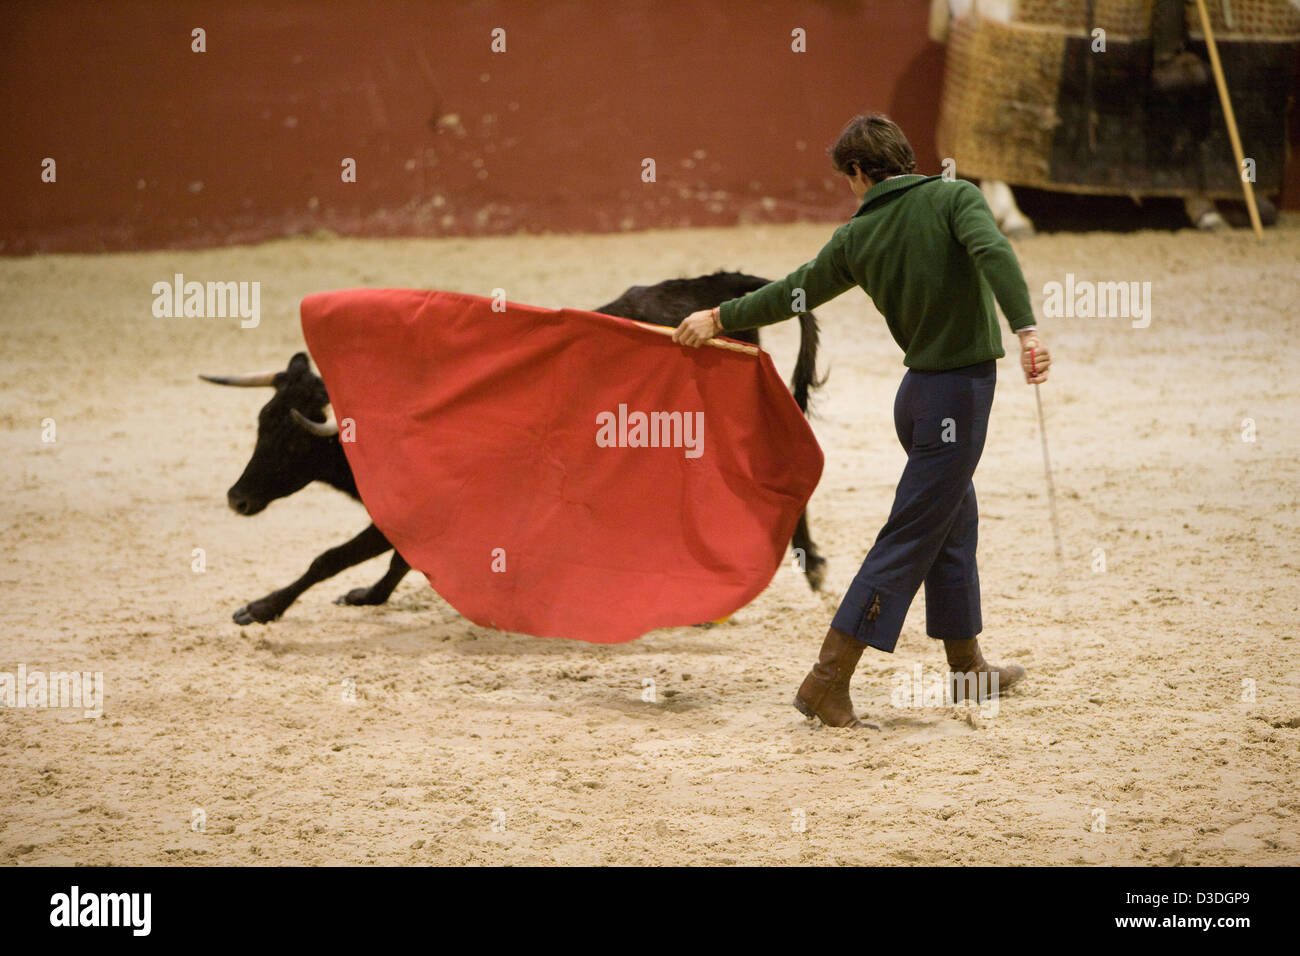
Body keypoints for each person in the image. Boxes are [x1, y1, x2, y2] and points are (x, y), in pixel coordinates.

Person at [673, 113, 1051, 728]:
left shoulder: (856, 237)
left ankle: (967, 668)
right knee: (911, 535)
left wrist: (719, 317)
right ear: (904, 156)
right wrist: (1026, 328)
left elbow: (793, 292)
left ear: (857, 172)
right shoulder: (957, 197)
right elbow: (993, 251)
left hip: (919, 399)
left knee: (953, 523)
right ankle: (827, 680)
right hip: (957, 400)